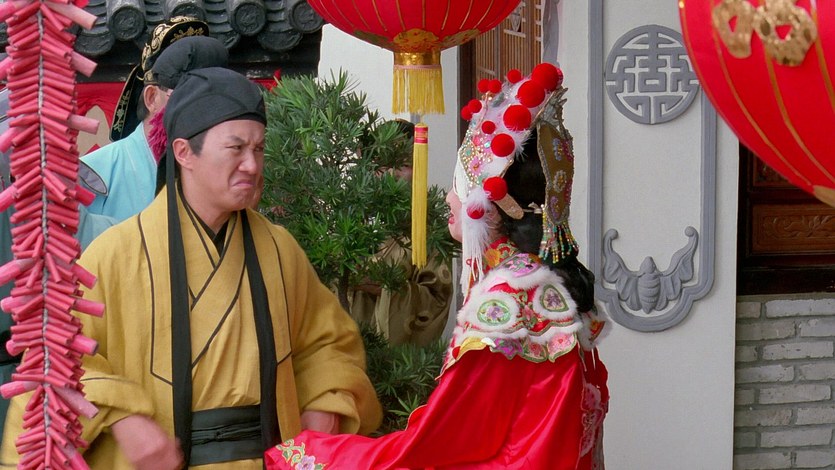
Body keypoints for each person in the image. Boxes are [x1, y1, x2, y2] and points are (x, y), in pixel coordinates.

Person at [0, 67, 382, 469]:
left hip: (270, 457)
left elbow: (327, 346)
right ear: (183, 152)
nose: (252, 165)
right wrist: (122, 416)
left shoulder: (279, 249)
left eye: (259, 149)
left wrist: (325, 405)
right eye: (236, 148)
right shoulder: (114, 255)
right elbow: (55, 365)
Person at [265, 63, 609, 469]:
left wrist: (314, 454)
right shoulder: (551, 288)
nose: (448, 197)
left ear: (492, 205)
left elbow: (443, 442)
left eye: (460, 186)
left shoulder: (507, 304)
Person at [82, 17, 227, 222]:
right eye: (185, 93)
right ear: (151, 98)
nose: (202, 107)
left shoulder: (230, 169)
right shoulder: (95, 176)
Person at [349, 119, 454, 346]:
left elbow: (437, 300)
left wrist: (387, 288)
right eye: (382, 163)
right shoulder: (348, 217)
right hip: (342, 350)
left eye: (403, 164)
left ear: (419, 167)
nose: (391, 173)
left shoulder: (429, 228)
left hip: (393, 358)